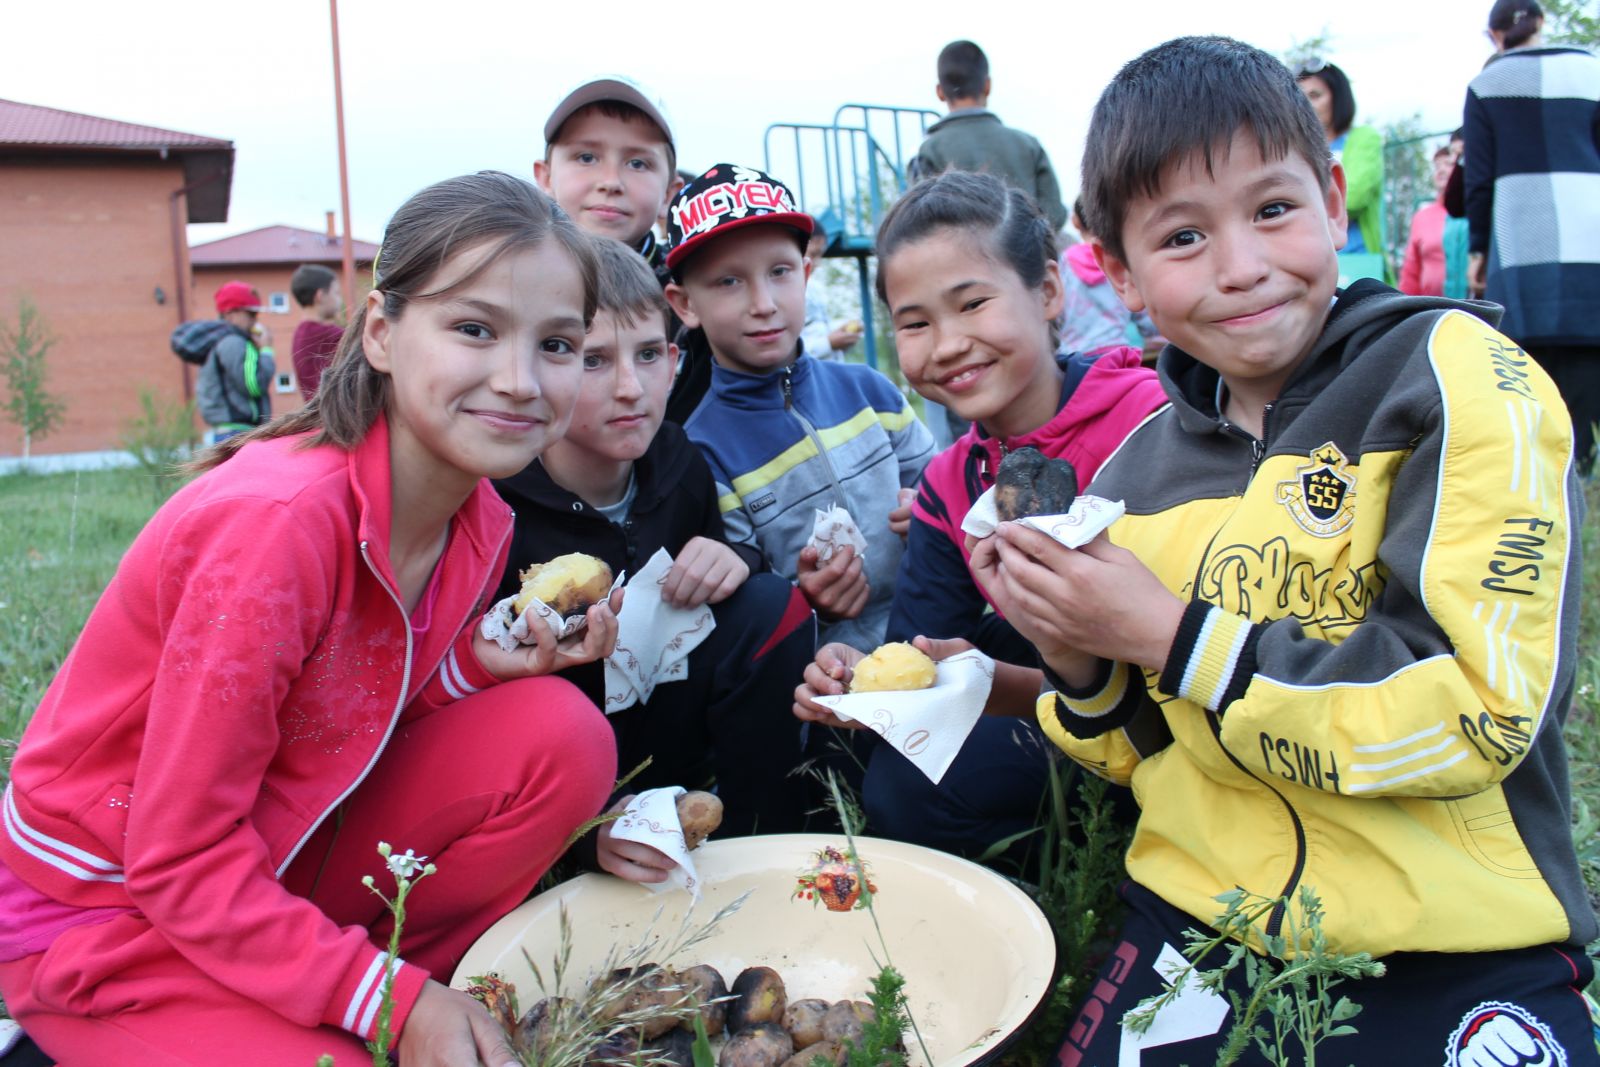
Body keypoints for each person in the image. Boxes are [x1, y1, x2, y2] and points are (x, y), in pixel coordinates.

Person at [981, 36, 1595, 1064]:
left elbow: (1477, 711)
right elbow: (1144, 750)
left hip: (1451, 936)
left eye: (1271, 209)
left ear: (1331, 197)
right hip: (1194, 915)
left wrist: (1174, 634)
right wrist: (1080, 652)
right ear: (1122, 275)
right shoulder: (1135, 467)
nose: (1242, 266)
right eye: (1182, 237)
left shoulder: (1454, 375)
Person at [0, 172, 624, 1066]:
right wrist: (391, 1008)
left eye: (559, 344)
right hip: (111, 915)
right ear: (380, 331)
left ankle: (379, 990)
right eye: (475, 329)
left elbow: (347, 719)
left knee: (561, 735)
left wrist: (478, 672)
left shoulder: (479, 517)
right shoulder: (277, 528)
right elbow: (176, 859)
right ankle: (348, 1005)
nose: (521, 379)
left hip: (265, 855)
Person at [792, 171, 1166, 858]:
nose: (948, 343)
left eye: (972, 304)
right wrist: (862, 676)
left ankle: (1121, 869)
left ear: (1049, 292)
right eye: (915, 322)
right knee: (875, 770)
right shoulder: (946, 485)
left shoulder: (1151, 423)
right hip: (1067, 714)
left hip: (1187, 716)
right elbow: (927, 656)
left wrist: (996, 682)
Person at [492, 237, 817, 872]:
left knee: (772, 603)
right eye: (593, 360)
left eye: (647, 356)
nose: (629, 387)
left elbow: (714, 584)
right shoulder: (501, 505)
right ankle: (579, 843)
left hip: (668, 719)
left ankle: (760, 837)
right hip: (569, 757)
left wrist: (734, 561)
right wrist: (583, 825)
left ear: (674, 361)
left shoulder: (680, 462)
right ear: (546, 363)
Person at [666, 164, 937, 651]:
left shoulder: (870, 391)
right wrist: (807, 602)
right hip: (833, 679)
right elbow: (749, 597)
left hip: (942, 631)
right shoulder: (701, 451)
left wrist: (933, 514)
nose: (764, 302)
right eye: (729, 281)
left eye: (780, 272)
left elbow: (942, 486)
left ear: (806, 273)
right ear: (685, 305)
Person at [1466, 0, 1600, 477]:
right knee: (1589, 360)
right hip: (1592, 241)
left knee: (1526, 368)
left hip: (1522, 243)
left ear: (1495, 35)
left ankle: (1547, 477)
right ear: (1541, 23)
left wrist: (1478, 248)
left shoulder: (1487, 84)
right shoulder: (1593, 72)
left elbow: (1478, 182)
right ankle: (1587, 472)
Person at [535, 78, 706, 423]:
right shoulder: (510, 281)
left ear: (671, 192)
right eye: (586, 157)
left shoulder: (698, 293)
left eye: (638, 163)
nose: (611, 181)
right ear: (546, 178)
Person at [909, 40, 1069, 232]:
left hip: (961, 259)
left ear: (940, 92)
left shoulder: (929, 149)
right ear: (987, 85)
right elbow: (1055, 214)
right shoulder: (1028, 145)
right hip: (1029, 257)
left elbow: (920, 221)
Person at [1295, 59, 1389, 282]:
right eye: (1300, 97)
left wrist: (1294, 209)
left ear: (1338, 99)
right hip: (1310, 264)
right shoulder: (1292, 147)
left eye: (1315, 95)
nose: (1307, 105)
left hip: (1358, 263)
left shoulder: (1362, 138)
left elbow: (1354, 197)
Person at [1058, 198, 1161, 356]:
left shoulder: (1065, 263)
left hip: (1073, 358)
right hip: (1117, 355)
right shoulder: (1118, 262)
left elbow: (1057, 313)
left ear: (1075, 222)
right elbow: (1144, 314)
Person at [197, 279, 275, 441]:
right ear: (231, 315)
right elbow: (253, 385)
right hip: (237, 433)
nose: (255, 320)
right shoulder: (234, 342)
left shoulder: (223, 341)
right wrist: (266, 351)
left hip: (230, 432)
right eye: (251, 314)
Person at [1399, 143, 1471, 298]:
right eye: (1437, 166)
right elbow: (1411, 271)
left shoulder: (1474, 212)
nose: (1441, 170)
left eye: (1448, 164)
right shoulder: (1422, 216)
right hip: (1432, 310)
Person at [800, 218, 862, 363]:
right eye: (813, 254)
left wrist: (842, 333)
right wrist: (828, 343)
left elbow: (818, 330)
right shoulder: (786, 294)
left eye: (820, 255)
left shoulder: (815, 288)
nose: (817, 263)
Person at [289, 263, 345, 400]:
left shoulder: (299, 333)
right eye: (336, 293)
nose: (340, 300)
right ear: (320, 296)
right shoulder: (331, 334)